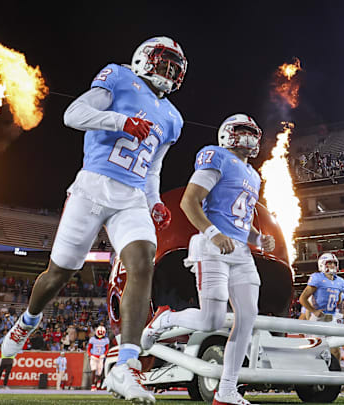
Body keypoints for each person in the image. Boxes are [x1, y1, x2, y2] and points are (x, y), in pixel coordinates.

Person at [0, 36, 187, 404]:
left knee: (143, 262)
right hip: (92, 187)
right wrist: (121, 121)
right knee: (59, 273)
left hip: (132, 195)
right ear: (144, 60)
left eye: (174, 68)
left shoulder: (173, 118)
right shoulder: (118, 77)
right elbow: (73, 115)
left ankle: (126, 366)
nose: (168, 71)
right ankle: (29, 320)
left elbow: (153, 168)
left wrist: (153, 203)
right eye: (163, 62)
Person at [141, 114, 275, 405]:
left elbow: (240, 221)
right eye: (242, 131)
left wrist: (258, 240)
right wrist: (213, 234)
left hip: (240, 251)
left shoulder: (253, 175)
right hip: (210, 246)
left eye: (253, 133)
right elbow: (189, 201)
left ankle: (226, 390)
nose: (249, 138)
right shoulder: (216, 156)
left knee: (247, 319)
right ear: (227, 134)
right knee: (211, 320)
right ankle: (165, 318)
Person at [298, 252, 344, 359]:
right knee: (316, 351)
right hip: (318, 319)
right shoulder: (317, 278)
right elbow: (302, 299)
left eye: (334, 263)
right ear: (322, 264)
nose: (333, 266)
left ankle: (336, 373)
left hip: (331, 318)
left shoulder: (340, 281)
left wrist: (343, 310)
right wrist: (314, 310)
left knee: (335, 349)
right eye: (329, 263)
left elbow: (340, 300)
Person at [87, 325, 109, 390]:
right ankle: (93, 385)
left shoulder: (106, 340)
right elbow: (89, 348)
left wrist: (104, 354)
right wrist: (90, 355)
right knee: (93, 370)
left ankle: (98, 381)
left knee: (99, 373)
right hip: (94, 356)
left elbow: (107, 348)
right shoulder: (92, 339)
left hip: (101, 357)